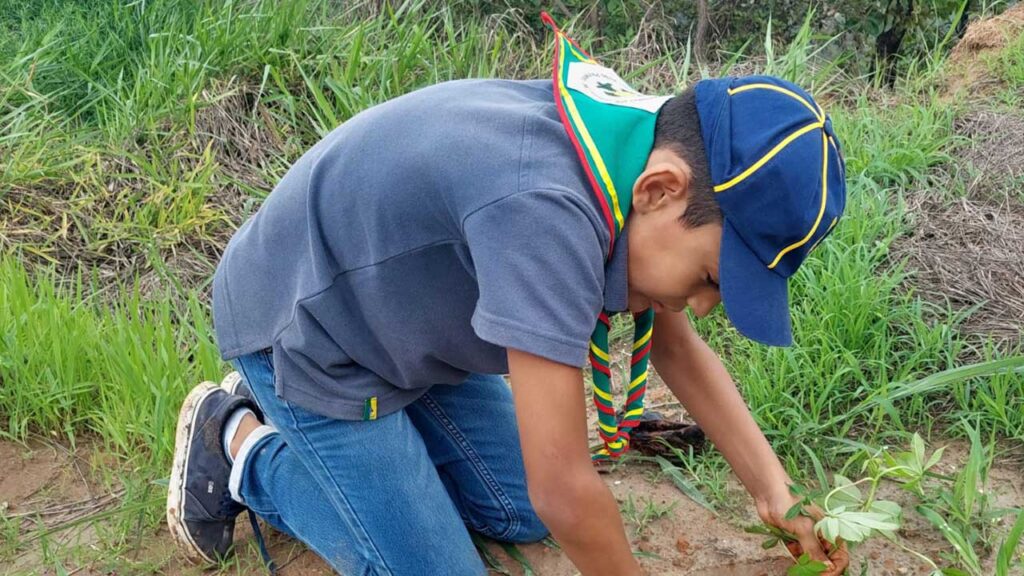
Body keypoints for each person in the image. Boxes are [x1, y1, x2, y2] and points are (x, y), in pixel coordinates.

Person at [166, 15, 850, 576]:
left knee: (518, 512)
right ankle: (239, 441)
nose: (703, 305)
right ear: (661, 190)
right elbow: (565, 492)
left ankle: (381, 461)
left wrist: (776, 492)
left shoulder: (643, 151)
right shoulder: (548, 212)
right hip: (311, 333)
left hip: (401, 318)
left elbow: (676, 348)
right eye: (708, 281)